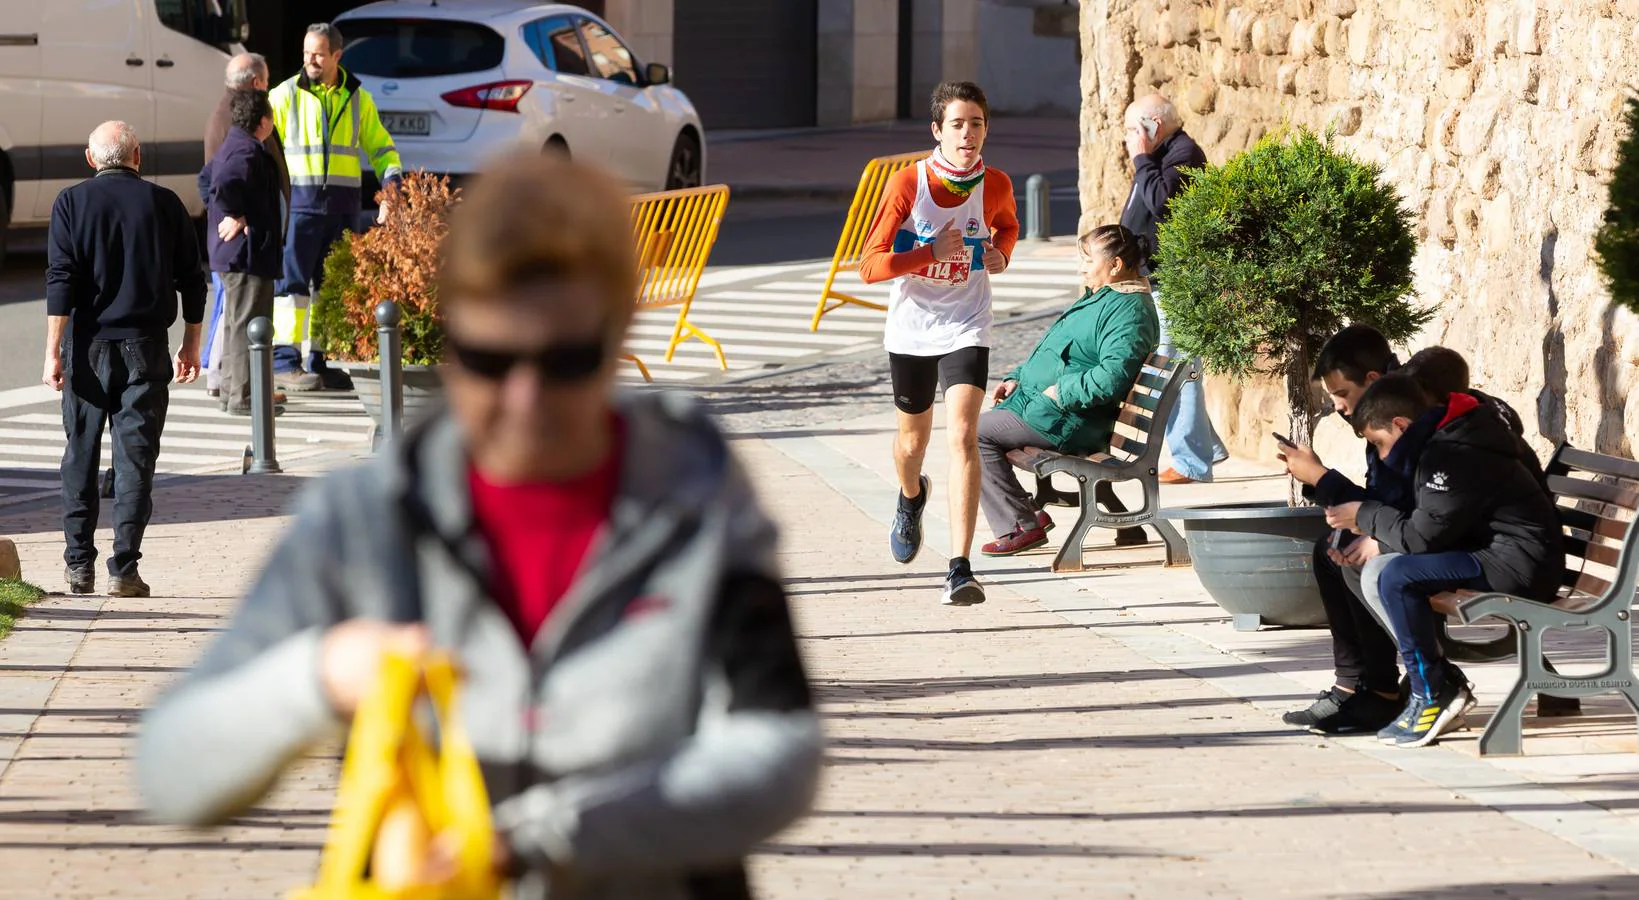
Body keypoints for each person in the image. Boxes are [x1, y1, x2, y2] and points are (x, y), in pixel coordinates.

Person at [137, 152, 821, 898]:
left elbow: (779, 747)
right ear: (448, 339)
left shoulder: (694, 492)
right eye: (490, 359)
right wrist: (317, 675)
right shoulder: (368, 516)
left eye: (564, 360)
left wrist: (538, 841)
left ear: (619, 331)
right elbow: (171, 770)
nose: (525, 398)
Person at [1325, 374, 1564, 747]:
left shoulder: (1453, 453)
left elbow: (1420, 537)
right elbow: (1423, 522)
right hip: (1492, 553)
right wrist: (1359, 518)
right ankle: (1435, 685)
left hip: (1518, 565)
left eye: (1379, 443)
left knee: (1397, 575)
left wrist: (1366, 515)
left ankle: (1433, 692)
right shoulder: (1440, 442)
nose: (1382, 455)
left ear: (1401, 425)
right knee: (1382, 569)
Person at [859, 80, 1018, 606]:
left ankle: (960, 567)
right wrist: (929, 252)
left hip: (968, 321)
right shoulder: (910, 183)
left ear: (986, 130)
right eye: (957, 124)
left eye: (976, 123)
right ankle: (911, 495)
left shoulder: (995, 184)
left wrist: (1000, 255)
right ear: (937, 131)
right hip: (912, 327)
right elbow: (871, 266)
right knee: (912, 446)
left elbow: (1007, 229)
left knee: (964, 436)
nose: (967, 133)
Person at [43, 122, 204, 598]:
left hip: (87, 346)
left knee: (81, 454)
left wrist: (53, 350)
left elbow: (61, 279)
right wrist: (191, 341)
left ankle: (78, 567)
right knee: (135, 462)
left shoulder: (70, 203)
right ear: (138, 156)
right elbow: (192, 280)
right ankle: (124, 569)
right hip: (147, 345)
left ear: (91, 159)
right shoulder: (165, 204)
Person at [977, 224, 1159, 556]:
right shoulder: (1104, 297)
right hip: (1045, 408)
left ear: (1115, 265)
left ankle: (1023, 524)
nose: (1082, 268)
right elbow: (1055, 349)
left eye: (1089, 261)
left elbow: (1111, 378)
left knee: (972, 435)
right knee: (980, 432)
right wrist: (1015, 377)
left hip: (1067, 419)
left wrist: (1060, 392)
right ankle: (1029, 516)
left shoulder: (1128, 313)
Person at [1277, 325, 1408, 734]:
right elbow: (1387, 500)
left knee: (1353, 557)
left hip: (1455, 548)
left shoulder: (1406, 421)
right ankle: (1352, 685)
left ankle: (1382, 692)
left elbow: (1410, 510)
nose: (1337, 407)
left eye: (1342, 395)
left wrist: (1321, 477)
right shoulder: (1385, 415)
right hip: (1424, 532)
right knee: (1334, 547)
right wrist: (1320, 481)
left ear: (1372, 380)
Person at [270, 22, 403, 392]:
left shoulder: (359, 98)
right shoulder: (284, 95)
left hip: (342, 209)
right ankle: (285, 361)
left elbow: (383, 150)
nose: (310, 60)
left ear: (337, 56)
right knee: (292, 289)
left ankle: (321, 361)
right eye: (305, 53)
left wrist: (391, 191)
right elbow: (257, 145)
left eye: (317, 54)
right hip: (300, 208)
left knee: (329, 289)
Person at [1118, 92, 1226, 486]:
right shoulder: (1164, 154)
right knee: (1175, 362)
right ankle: (1203, 446)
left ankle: (1191, 462)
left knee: (1177, 365)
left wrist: (1143, 157)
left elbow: (1162, 202)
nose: (1128, 138)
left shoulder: (1183, 155)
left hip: (1176, 280)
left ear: (1153, 126)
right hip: (1156, 277)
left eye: (1133, 129)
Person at [201, 52, 290, 400]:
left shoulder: (239, 138)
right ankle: (241, 393)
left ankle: (236, 389)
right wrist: (234, 214)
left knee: (240, 322)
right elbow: (219, 185)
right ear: (263, 121)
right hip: (245, 252)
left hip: (246, 251)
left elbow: (206, 180)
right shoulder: (243, 147)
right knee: (245, 324)